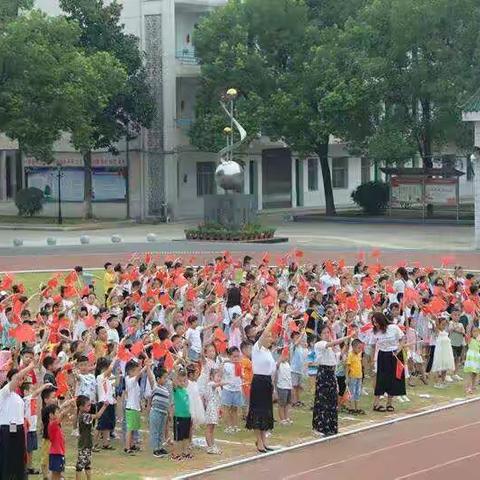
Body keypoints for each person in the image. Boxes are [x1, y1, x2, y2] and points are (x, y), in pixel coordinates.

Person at [246, 312, 277, 453]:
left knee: (266, 412)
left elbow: (272, 370)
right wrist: (273, 317)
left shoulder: (267, 352)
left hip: (266, 382)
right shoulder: (257, 348)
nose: (270, 338)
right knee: (258, 412)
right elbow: (265, 332)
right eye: (268, 336)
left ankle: (264, 441)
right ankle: (259, 441)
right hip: (258, 381)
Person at [0, 361, 36, 480]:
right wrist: (30, 367)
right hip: (7, 430)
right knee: (7, 458)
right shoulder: (4, 393)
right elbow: (16, 378)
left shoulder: (18, 397)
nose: (20, 381)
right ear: (10, 379)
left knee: (19, 458)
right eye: (19, 378)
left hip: (19, 429)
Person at [312, 327, 350, 437]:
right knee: (322, 400)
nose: (326, 334)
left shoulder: (331, 348)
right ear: (320, 334)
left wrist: (346, 343)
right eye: (324, 333)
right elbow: (331, 343)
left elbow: (338, 357)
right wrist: (346, 337)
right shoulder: (319, 344)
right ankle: (320, 427)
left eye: (328, 332)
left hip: (331, 373)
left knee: (332, 400)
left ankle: (331, 426)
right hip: (323, 373)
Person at [371, 312, 406, 413]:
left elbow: (402, 338)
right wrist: (373, 359)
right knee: (381, 379)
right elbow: (373, 345)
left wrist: (398, 349)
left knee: (393, 379)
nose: (375, 324)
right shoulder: (375, 331)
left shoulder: (393, 328)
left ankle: (389, 403)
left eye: (376, 322)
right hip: (382, 355)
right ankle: (376, 403)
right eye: (373, 322)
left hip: (395, 354)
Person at [75, 395, 109, 480]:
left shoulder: (83, 415)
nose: (90, 407)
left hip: (87, 444)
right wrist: (104, 406)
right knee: (80, 466)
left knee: (87, 464)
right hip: (84, 445)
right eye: (88, 405)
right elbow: (97, 416)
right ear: (81, 407)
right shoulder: (85, 416)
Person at [147, 365, 171, 458]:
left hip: (163, 412)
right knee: (155, 431)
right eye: (164, 378)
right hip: (156, 412)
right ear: (158, 378)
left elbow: (167, 402)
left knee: (161, 431)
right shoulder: (155, 386)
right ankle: (155, 449)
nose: (165, 380)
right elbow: (150, 377)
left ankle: (160, 447)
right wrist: (148, 366)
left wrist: (169, 413)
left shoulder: (165, 389)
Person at [221, 346, 243, 433]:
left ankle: (235, 425)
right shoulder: (227, 365)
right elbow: (220, 372)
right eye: (234, 356)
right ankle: (228, 426)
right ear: (229, 356)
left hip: (237, 390)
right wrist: (225, 361)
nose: (236, 358)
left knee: (235, 409)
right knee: (226, 408)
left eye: (238, 356)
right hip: (228, 390)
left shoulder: (239, 365)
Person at [172, 370, 192, 461]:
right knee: (178, 437)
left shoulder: (185, 390)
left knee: (185, 436)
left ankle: (185, 452)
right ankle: (176, 454)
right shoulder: (176, 390)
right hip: (178, 416)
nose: (182, 383)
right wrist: (176, 371)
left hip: (187, 416)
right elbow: (174, 381)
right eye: (180, 381)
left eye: (184, 381)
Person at [431, 317, 455, 389]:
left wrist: (446, 320)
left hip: (446, 351)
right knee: (439, 366)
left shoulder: (446, 332)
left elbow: (449, 325)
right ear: (439, 324)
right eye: (442, 324)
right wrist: (436, 320)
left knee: (445, 367)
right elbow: (436, 325)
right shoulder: (437, 331)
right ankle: (437, 382)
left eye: (445, 324)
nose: (444, 326)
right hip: (440, 352)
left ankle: (443, 381)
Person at [204, 369, 223, 454]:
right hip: (211, 408)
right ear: (212, 377)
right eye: (217, 376)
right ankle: (209, 446)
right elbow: (216, 384)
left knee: (212, 428)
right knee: (209, 428)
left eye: (220, 376)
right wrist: (225, 383)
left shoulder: (217, 387)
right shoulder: (210, 384)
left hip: (215, 408)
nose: (219, 378)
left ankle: (212, 445)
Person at [346, 339, 364, 415]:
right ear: (353, 347)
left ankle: (357, 407)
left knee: (357, 391)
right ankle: (351, 407)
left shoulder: (358, 355)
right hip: (352, 376)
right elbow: (348, 366)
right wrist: (347, 377)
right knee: (352, 392)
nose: (360, 350)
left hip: (359, 376)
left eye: (361, 348)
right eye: (358, 348)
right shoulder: (350, 355)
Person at [275, 347, 293, 425]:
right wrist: (281, 357)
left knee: (288, 403)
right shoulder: (278, 363)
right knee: (282, 404)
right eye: (285, 355)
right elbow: (276, 366)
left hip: (288, 386)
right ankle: (282, 419)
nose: (286, 357)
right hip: (282, 386)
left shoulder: (287, 364)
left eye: (287, 355)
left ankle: (286, 417)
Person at [464, 327, 480, 394]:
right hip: (471, 357)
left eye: (477, 331)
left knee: (475, 373)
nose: (475, 333)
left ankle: (473, 386)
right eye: (474, 331)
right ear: (471, 332)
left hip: (477, 357)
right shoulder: (470, 339)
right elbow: (467, 335)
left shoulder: (478, 340)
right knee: (470, 373)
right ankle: (468, 387)